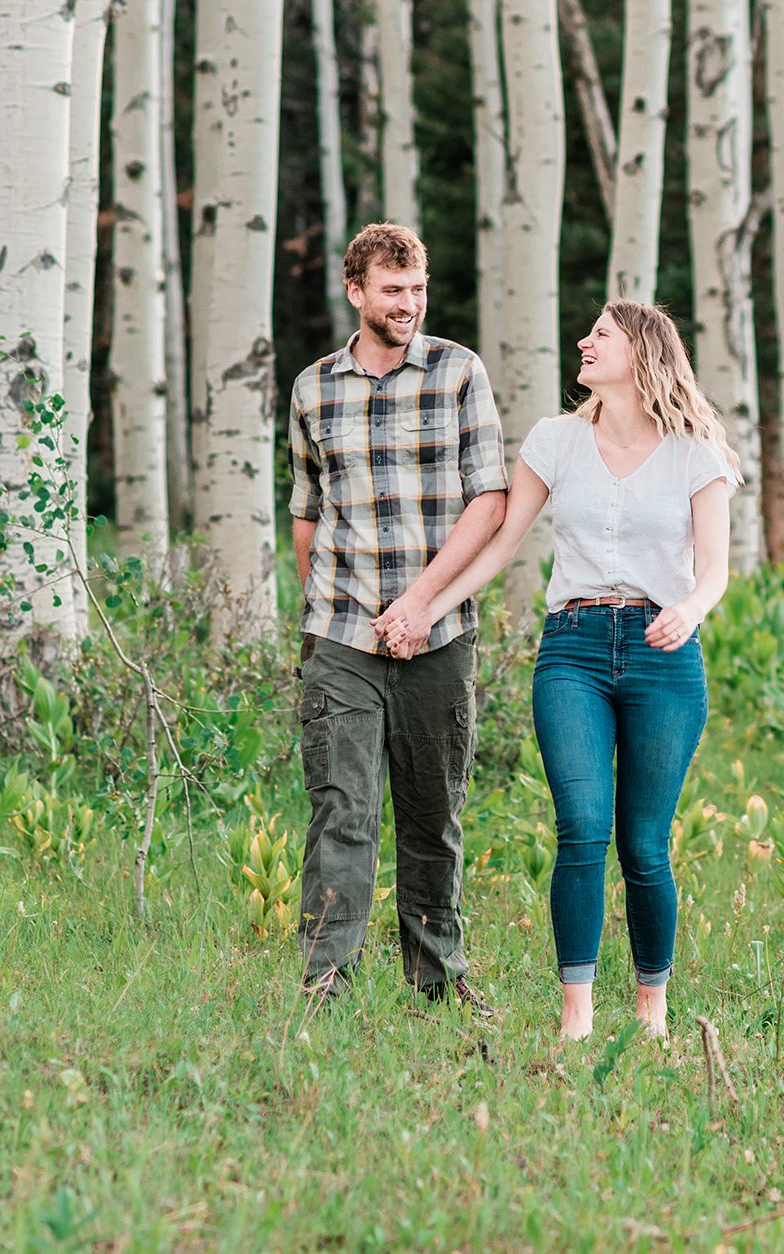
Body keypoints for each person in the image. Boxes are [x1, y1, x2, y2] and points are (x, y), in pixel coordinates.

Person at [378, 301, 736, 1041]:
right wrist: (425, 609)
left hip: (663, 654)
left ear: (642, 351)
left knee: (643, 843)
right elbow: (502, 544)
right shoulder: (555, 440)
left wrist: (691, 609)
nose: (584, 341)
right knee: (580, 828)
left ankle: (651, 1012)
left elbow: (716, 570)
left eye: (601, 334)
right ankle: (576, 1017)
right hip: (571, 648)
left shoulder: (697, 449)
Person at [287, 223, 508, 1010]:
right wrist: (317, 614)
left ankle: (437, 980)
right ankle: (325, 983)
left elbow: (489, 501)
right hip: (341, 637)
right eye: (393, 290)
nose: (408, 303)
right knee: (342, 811)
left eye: (417, 289)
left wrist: (419, 604)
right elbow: (307, 512)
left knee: (431, 813)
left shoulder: (457, 373)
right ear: (356, 293)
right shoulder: (313, 388)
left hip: (438, 635)